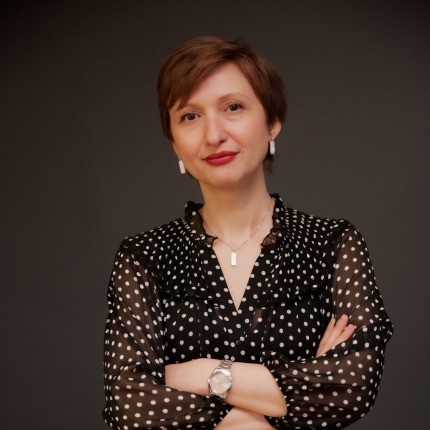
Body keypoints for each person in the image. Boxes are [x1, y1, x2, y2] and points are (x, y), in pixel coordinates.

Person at [102, 36, 393, 430]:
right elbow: (130, 407)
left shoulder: (331, 244)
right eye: (190, 116)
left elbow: (350, 387)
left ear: (272, 121)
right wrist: (290, 395)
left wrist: (199, 373)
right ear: (174, 143)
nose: (213, 134)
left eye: (233, 107)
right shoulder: (144, 257)